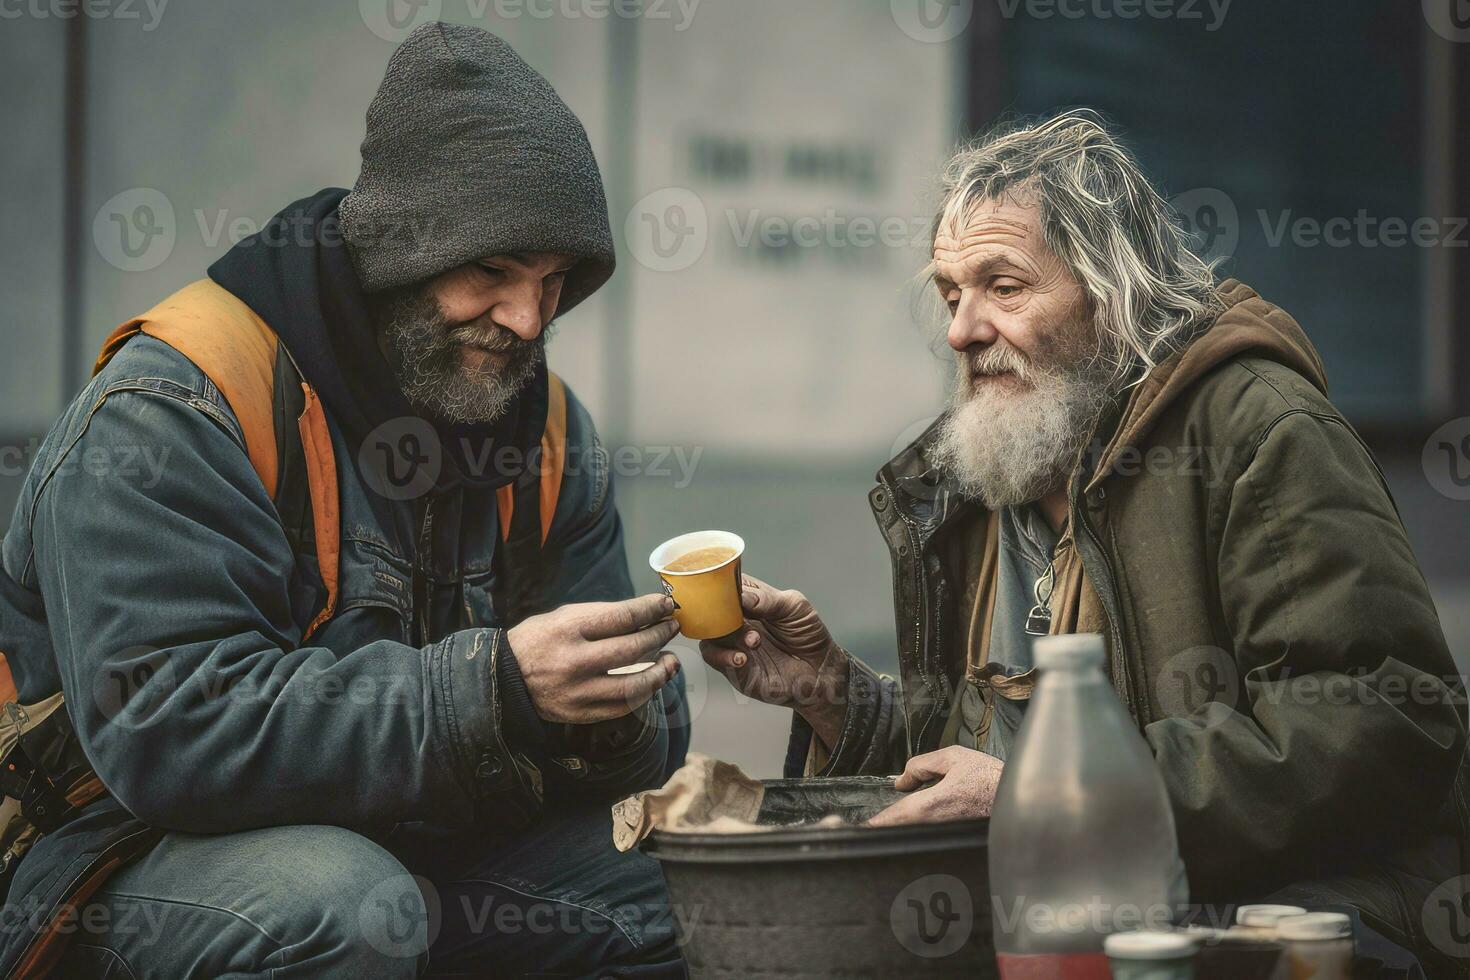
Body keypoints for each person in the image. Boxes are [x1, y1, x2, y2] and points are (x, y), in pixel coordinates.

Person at [702, 110, 1470, 975]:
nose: (962, 329)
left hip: (1286, 913)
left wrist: (1044, 799)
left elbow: (1385, 723)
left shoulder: (1257, 428)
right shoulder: (989, 472)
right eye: (952, 294)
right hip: (1052, 915)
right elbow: (972, 775)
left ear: (1112, 290)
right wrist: (833, 693)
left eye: (1004, 286)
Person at [0, 23, 688, 978]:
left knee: (688, 882)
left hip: (417, 848)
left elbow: (604, 716)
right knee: (348, 907)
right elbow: (166, 730)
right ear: (399, 247)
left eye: (552, 282)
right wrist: (492, 690)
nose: (528, 319)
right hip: (118, 865)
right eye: (492, 271)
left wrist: (614, 712)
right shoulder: (175, 407)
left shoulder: (542, 427)